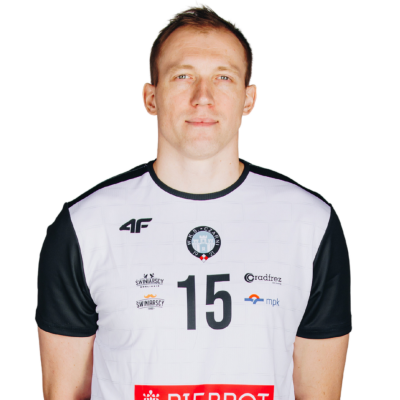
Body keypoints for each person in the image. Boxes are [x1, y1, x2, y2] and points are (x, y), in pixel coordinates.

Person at [36, 2, 352, 399]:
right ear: (150, 97)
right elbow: (63, 394)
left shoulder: (310, 222)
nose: (203, 97)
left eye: (223, 77)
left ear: (249, 99)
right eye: (183, 76)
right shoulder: (85, 226)